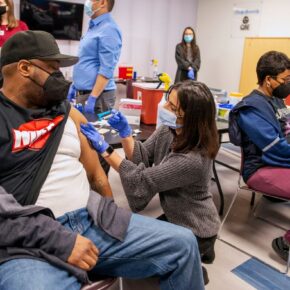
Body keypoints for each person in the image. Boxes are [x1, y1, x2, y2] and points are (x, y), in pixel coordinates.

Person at [0, 30, 204, 290]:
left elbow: (97, 175)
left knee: (184, 243)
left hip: (91, 221)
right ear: (25, 68)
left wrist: (111, 214)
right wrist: (61, 241)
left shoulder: (66, 112)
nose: (60, 78)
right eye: (52, 69)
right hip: (28, 241)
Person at [80, 80, 221, 282]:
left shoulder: (192, 160)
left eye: (172, 107)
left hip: (196, 227)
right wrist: (126, 134)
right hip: (176, 216)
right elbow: (142, 157)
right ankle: (188, 264)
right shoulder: (170, 131)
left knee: (143, 260)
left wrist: (105, 149)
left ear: (190, 117)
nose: (164, 108)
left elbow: (142, 180)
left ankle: (191, 263)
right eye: (167, 101)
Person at [229, 51, 290, 263]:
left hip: (280, 164)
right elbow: (276, 149)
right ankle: (285, 244)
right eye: (285, 80)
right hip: (260, 169)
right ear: (268, 80)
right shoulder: (251, 109)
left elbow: (287, 131)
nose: (288, 83)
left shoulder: (276, 100)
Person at [70, 0, 122, 114]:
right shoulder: (94, 27)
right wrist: (75, 85)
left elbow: (107, 68)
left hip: (97, 96)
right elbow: (87, 60)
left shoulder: (109, 29)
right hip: (85, 94)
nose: (87, 2)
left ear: (102, 2)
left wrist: (93, 97)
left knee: (96, 132)